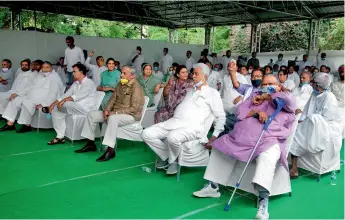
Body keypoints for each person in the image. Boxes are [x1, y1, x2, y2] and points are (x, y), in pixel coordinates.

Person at [193, 74, 296, 220]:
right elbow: (240, 111)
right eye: (264, 84)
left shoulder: (285, 99)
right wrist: (255, 111)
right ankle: (213, 186)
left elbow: (291, 102)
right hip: (240, 138)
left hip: (268, 140)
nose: (267, 86)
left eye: (271, 83)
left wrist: (270, 97)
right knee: (219, 145)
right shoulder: (255, 96)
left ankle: (263, 201)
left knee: (268, 157)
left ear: (279, 85)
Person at [142, 63, 226, 175]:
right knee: (146, 133)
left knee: (173, 137)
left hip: (193, 127)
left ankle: (174, 161)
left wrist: (213, 137)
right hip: (175, 122)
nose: (193, 76)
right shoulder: (190, 90)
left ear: (205, 76)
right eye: (193, 73)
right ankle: (168, 156)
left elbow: (221, 116)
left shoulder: (212, 93)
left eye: (196, 74)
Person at [76, 66, 145, 161]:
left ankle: (110, 150)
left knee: (113, 118)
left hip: (131, 116)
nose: (121, 75)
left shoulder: (137, 88)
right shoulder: (120, 84)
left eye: (124, 73)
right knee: (91, 114)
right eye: (122, 72)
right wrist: (106, 110)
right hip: (116, 113)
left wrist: (115, 112)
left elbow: (134, 108)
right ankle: (90, 144)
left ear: (132, 76)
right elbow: (112, 99)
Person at [290, 72, 342, 178]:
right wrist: (300, 120)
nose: (311, 85)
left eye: (313, 83)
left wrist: (312, 118)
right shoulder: (314, 94)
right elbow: (305, 111)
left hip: (326, 127)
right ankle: (294, 167)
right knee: (295, 130)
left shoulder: (329, 97)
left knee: (300, 133)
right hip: (311, 123)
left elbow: (328, 119)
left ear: (318, 85)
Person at [0, 61, 64, 132]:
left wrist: (44, 104)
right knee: (15, 100)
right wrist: (18, 93)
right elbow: (30, 87)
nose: (45, 69)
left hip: (42, 99)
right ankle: (10, 123)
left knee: (27, 103)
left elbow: (54, 93)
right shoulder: (40, 75)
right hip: (31, 96)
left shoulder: (55, 78)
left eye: (47, 67)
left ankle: (27, 125)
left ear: (52, 68)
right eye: (43, 67)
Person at [47, 63, 96, 145]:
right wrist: (53, 103)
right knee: (55, 109)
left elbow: (77, 96)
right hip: (75, 106)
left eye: (74, 71)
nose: (72, 73)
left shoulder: (89, 83)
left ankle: (60, 135)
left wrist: (63, 101)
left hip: (86, 108)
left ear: (81, 72)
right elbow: (66, 94)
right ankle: (60, 137)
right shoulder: (76, 83)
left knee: (64, 104)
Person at [330, 65, 344, 138]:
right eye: (342, 72)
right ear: (339, 73)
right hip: (337, 110)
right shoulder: (334, 84)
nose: (343, 73)